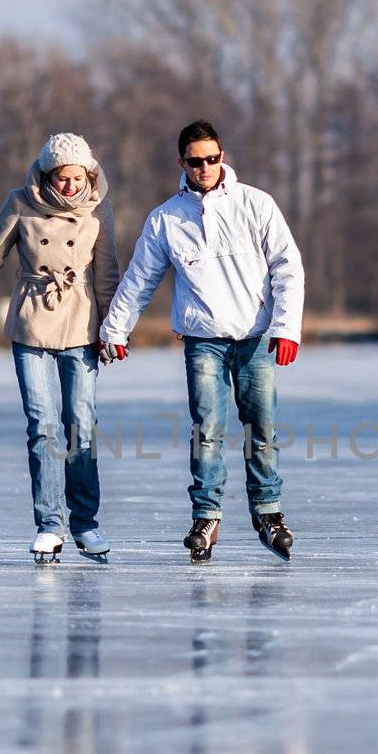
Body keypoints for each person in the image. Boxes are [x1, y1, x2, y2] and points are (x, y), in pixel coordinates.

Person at [100, 119, 304, 562]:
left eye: (212, 159)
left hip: (254, 336)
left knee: (261, 428)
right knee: (207, 430)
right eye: (196, 162)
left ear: (222, 157)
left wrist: (287, 327)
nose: (205, 167)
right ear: (182, 164)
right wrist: (115, 329)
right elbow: (139, 279)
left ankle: (268, 512)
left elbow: (288, 266)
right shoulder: (167, 218)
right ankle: (206, 515)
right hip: (202, 340)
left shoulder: (255, 204)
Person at [0, 132, 120, 565]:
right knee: (42, 427)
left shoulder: (98, 207)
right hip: (32, 325)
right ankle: (50, 525)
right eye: (62, 178)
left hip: (82, 327)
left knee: (81, 425)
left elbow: (107, 275)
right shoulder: (20, 203)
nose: (70, 186)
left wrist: (113, 329)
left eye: (77, 177)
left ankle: (85, 523)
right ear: (47, 174)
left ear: (89, 174)